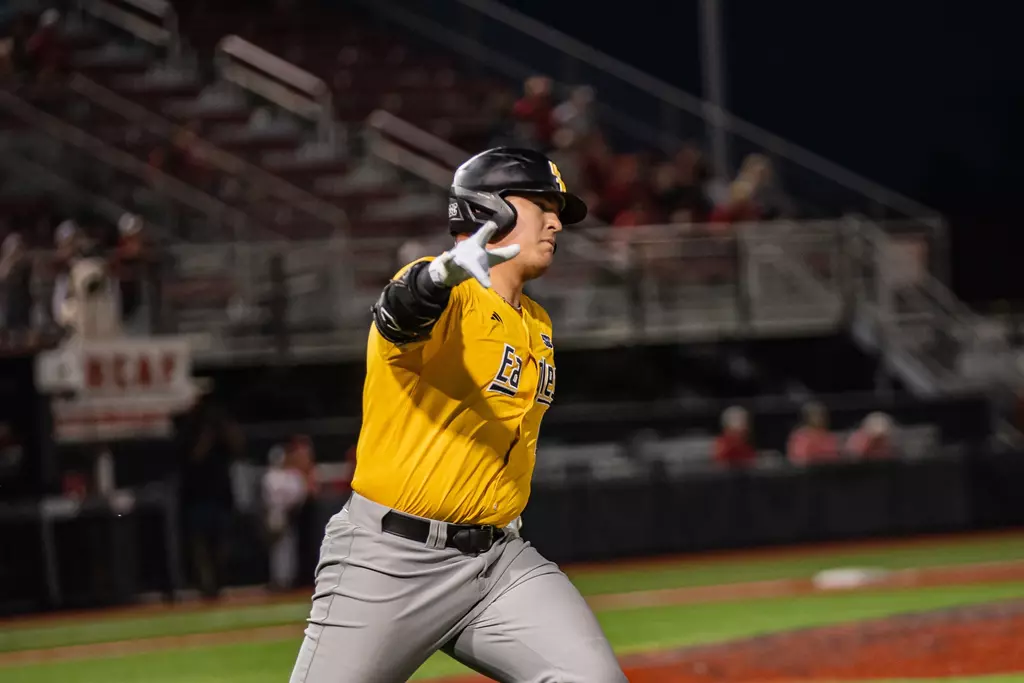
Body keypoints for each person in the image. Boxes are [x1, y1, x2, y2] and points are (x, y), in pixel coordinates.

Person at [289, 147, 625, 683]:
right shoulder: (448, 292)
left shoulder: (537, 321)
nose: (557, 222)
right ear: (492, 207)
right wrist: (436, 278)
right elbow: (399, 311)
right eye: (542, 205)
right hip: (391, 560)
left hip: (498, 564)